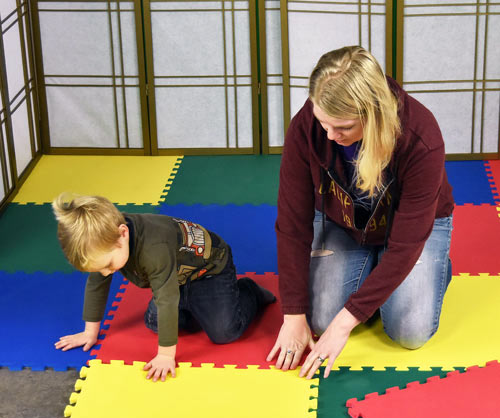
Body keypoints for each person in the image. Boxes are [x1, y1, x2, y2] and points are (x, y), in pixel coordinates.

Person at [267, 46, 454, 379]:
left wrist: (346, 322)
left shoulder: (420, 137)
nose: (329, 135)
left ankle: (434, 268)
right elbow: (293, 224)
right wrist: (293, 315)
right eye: (323, 122)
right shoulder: (306, 127)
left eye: (343, 127)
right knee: (320, 320)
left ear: (374, 115)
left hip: (412, 230)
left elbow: (407, 242)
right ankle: (377, 270)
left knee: (409, 331)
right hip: (347, 222)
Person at [53, 194, 275, 381]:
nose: (105, 272)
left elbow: (166, 300)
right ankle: (194, 302)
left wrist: (166, 356)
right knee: (154, 322)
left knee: (224, 332)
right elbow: (97, 283)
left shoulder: (153, 249)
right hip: (176, 275)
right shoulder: (107, 241)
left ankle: (248, 290)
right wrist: (90, 332)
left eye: (108, 265)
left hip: (209, 271)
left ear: (123, 234)